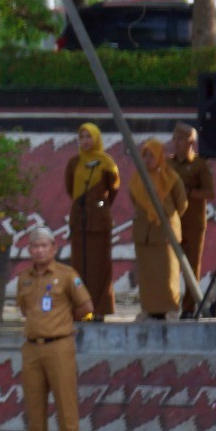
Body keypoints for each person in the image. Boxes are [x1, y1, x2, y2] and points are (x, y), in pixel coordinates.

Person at [13, 226, 93, 431]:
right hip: (32, 346)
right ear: (29, 250)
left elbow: (86, 307)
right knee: (34, 400)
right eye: (34, 246)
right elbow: (24, 309)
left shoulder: (67, 275)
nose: (39, 250)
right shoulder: (24, 278)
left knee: (65, 398)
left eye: (43, 246)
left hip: (59, 344)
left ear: (54, 248)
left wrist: (65, 321)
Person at [130, 138, 190, 319]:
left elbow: (182, 203)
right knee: (147, 275)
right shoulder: (137, 179)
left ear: (159, 156)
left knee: (167, 273)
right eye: (145, 155)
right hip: (144, 233)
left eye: (151, 155)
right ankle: (148, 309)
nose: (148, 159)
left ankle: (170, 308)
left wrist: (166, 215)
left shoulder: (170, 177)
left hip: (165, 233)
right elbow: (134, 201)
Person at [65, 122, 120, 318]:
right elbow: (70, 188)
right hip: (79, 221)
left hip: (99, 222)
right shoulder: (74, 163)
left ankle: (99, 310)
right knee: (79, 266)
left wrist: (98, 206)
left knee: (99, 266)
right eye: (82, 137)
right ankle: (81, 310)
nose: (85, 141)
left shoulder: (107, 163)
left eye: (89, 136)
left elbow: (113, 190)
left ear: (96, 138)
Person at [169, 122, 215, 316]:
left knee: (191, 266)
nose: (176, 142)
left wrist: (187, 192)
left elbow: (209, 192)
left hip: (193, 223)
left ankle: (188, 308)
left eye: (180, 139)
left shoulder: (199, 165)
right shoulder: (168, 164)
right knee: (169, 265)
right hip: (172, 222)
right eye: (175, 138)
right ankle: (168, 305)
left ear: (191, 142)